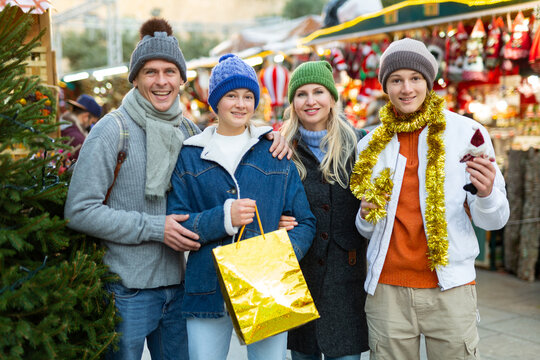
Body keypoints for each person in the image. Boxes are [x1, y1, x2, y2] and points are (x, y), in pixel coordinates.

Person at [64, 19, 290, 360]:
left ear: (182, 80)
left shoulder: (189, 133)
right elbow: (79, 211)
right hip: (126, 290)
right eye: (150, 72)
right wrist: (156, 228)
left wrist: (267, 136)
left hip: (180, 290)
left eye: (170, 71)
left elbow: (229, 150)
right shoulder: (113, 130)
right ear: (136, 78)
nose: (161, 81)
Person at [350, 38, 510, 360]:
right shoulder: (368, 146)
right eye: (396, 80)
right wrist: (364, 215)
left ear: (429, 82)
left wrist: (489, 193)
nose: (406, 88)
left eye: (415, 78)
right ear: (386, 87)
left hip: (450, 288)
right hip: (387, 290)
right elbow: (366, 230)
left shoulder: (467, 135)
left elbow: (494, 219)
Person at [166, 53, 317, 360]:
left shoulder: (273, 151)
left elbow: (304, 222)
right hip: (207, 289)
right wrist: (224, 218)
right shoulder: (190, 155)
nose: (240, 104)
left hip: (267, 283)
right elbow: (178, 223)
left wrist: (279, 253)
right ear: (215, 102)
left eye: (248, 96)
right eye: (231, 95)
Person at [279, 61, 369, 360]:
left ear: (332, 98)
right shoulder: (280, 148)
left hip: (347, 276)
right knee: (303, 354)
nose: (311, 100)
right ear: (293, 102)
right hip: (299, 273)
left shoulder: (359, 144)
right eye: (301, 94)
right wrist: (273, 220)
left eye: (319, 91)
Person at [60, 94, 102, 161]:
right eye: (92, 122)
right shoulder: (78, 139)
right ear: (85, 116)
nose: (90, 125)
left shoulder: (63, 124)